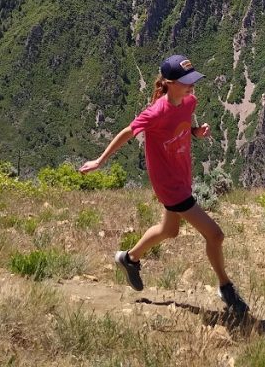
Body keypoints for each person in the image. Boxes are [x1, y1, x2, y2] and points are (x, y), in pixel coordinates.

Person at [79, 54, 250, 317]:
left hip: (183, 177)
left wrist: (195, 132)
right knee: (215, 235)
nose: (192, 86)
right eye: (186, 82)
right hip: (169, 185)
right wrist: (100, 161)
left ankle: (129, 258)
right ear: (169, 83)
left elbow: (182, 126)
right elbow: (128, 131)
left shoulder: (189, 101)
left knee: (169, 231)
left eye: (193, 80)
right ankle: (226, 287)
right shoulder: (156, 111)